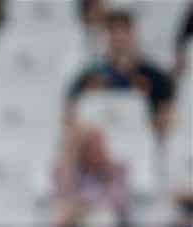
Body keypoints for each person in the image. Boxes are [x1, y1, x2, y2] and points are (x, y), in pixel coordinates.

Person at [67, 8, 176, 136]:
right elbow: (70, 117)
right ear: (105, 37)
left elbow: (167, 122)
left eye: (124, 32)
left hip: (140, 143)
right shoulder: (89, 77)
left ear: (134, 35)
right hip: (98, 146)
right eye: (113, 32)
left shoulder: (156, 78)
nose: (119, 39)